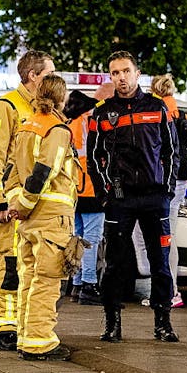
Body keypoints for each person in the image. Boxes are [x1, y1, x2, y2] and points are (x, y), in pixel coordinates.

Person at [87, 51, 179, 343]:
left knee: (160, 264)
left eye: (126, 71)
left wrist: (167, 188)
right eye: (115, 73)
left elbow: (172, 152)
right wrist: (104, 194)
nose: (121, 78)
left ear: (138, 74)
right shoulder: (102, 113)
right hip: (120, 199)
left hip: (155, 198)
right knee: (114, 264)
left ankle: (163, 322)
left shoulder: (158, 108)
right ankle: (112, 323)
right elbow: (93, 156)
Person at [0, 50, 55, 351]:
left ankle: (22, 324)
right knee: (8, 262)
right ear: (33, 76)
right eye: (49, 73)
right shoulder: (8, 106)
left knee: (27, 265)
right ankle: (3, 324)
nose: (53, 78)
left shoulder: (43, 108)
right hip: (11, 199)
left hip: (31, 199)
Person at [7, 73, 81, 361]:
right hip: (51, 218)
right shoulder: (57, 129)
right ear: (62, 99)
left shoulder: (27, 126)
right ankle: (40, 341)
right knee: (47, 282)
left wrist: (17, 204)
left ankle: (26, 336)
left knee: (28, 279)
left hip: (28, 221)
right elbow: (44, 172)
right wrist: (25, 203)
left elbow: (11, 172)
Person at [152, 74, 187, 308]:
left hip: (165, 183)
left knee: (163, 238)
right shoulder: (182, 113)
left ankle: (169, 292)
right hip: (182, 181)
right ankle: (169, 291)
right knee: (168, 237)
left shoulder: (158, 113)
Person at [64, 85, 108, 306]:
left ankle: (78, 282)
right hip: (91, 186)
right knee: (91, 239)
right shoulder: (92, 117)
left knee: (79, 236)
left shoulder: (73, 119)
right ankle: (89, 284)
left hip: (76, 187)